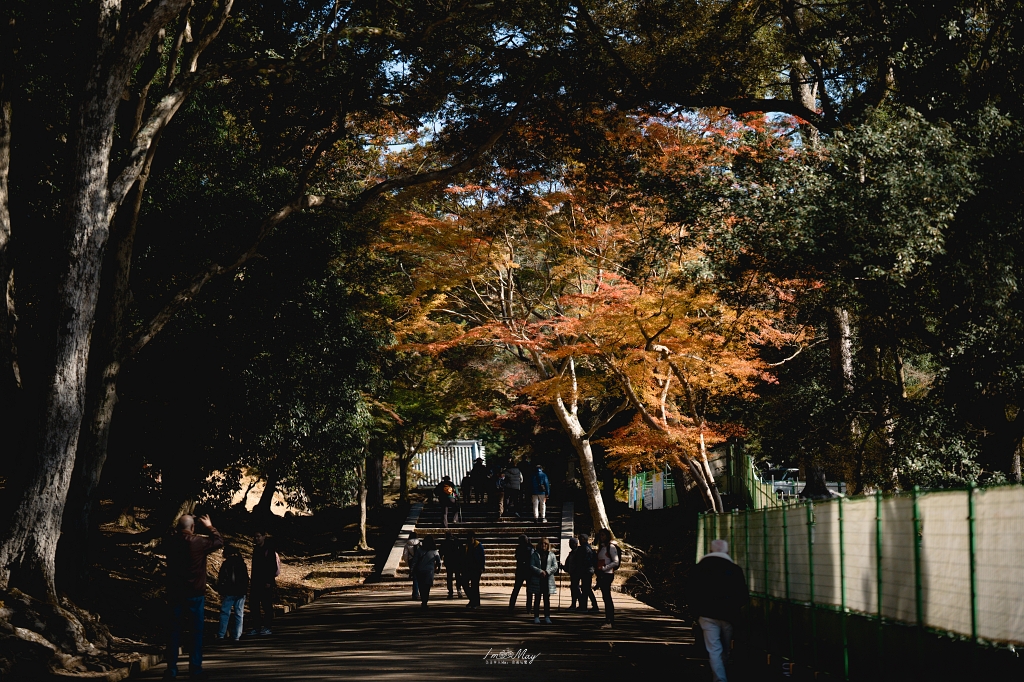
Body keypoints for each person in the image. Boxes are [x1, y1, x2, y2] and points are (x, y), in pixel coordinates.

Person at [164, 513, 223, 680]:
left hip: (175, 593)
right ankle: (195, 668)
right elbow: (219, 541)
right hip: (195, 594)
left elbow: (167, 536)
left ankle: (171, 669)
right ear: (192, 527)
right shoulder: (198, 543)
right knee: (196, 633)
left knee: (174, 632)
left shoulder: (171, 542)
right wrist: (210, 527)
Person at [688, 539, 749, 682]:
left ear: (710, 551)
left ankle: (720, 678)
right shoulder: (735, 570)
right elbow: (743, 596)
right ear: (727, 552)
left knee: (713, 648)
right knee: (726, 648)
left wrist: (696, 611)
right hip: (729, 614)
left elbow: (691, 592)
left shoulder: (698, 569)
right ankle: (724, 670)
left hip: (706, 614)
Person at [247, 530, 280, 636]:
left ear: (264, 536)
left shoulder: (269, 549)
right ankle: (256, 627)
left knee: (266, 605)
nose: (257, 539)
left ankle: (267, 627)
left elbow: (272, 566)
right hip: (256, 581)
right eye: (255, 537)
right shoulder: (256, 549)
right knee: (254, 605)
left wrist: (269, 581)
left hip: (266, 582)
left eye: (258, 536)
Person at [215, 545, 249, 642]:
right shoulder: (241, 563)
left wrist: (221, 591)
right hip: (240, 591)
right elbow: (246, 578)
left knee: (225, 612)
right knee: (239, 613)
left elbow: (221, 578)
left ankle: (221, 633)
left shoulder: (226, 564)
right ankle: (237, 635)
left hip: (229, 591)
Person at [595, 528, 621, 629]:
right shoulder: (602, 547)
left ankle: (610, 621)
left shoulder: (611, 547)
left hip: (607, 574)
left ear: (607, 536)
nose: (601, 537)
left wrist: (604, 568)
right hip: (602, 575)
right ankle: (608, 620)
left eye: (603, 535)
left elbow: (616, 562)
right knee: (605, 598)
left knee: (607, 598)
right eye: (600, 535)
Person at [529, 537, 558, 624]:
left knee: (546, 599)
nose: (543, 545)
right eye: (542, 543)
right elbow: (531, 565)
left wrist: (547, 572)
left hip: (547, 579)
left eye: (545, 544)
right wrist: (540, 571)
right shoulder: (535, 554)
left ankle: (547, 616)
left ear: (548, 545)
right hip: (538, 578)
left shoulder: (551, 555)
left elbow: (555, 566)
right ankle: (536, 616)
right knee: (537, 598)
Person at [412, 536, 442, 608]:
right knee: (427, 587)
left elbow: (415, 561)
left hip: (420, 570)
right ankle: (425, 601)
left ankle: (423, 600)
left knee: (421, 586)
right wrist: (438, 569)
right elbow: (439, 561)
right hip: (429, 571)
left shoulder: (419, 550)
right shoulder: (434, 551)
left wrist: (412, 569)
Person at [508, 533, 534, 612]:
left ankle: (511, 606)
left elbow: (517, 557)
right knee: (528, 591)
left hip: (521, 570)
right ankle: (528, 608)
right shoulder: (530, 548)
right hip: (528, 571)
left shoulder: (519, 548)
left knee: (516, 589)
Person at [462, 528, 485, 608]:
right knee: (465, 583)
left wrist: (481, 567)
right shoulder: (466, 546)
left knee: (475, 585)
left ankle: (474, 602)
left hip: (476, 568)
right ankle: (473, 600)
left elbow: (482, 557)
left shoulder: (478, 546)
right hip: (467, 568)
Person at [576, 533, 599, 612]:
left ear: (583, 539)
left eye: (580, 539)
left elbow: (584, 561)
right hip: (588, 570)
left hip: (586, 570)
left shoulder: (584, 548)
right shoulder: (588, 548)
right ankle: (584, 605)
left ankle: (589, 606)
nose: (579, 540)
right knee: (586, 588)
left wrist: (580, 569)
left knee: (586, 589)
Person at [439, 531, 464, 599]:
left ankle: (450, 592)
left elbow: (441, 552)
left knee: (449, 577)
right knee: (457, 576)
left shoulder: (445, 542)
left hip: (449, 562)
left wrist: (440, 559)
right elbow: (462, 551)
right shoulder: (457, 541)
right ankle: (459, 589)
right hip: (457, 561)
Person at [402, 531, 422, 601]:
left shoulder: (407, 544)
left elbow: (405, 555)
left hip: (412, 561)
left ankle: (415, 594)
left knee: (415, 578)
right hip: (419, 561)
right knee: (420, 578)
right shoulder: (420, 543)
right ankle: (421, 592)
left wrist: (407, 563)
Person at [564, 537, 581, 609]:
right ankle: (574, 604)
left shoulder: (578, 552)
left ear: (576, 544)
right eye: (569, 543)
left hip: (576, 573)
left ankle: (580, 603)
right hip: (572, 572)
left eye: (571, 543)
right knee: (574, 588)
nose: (570, 545)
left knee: (575, 588)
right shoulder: (571, 553)